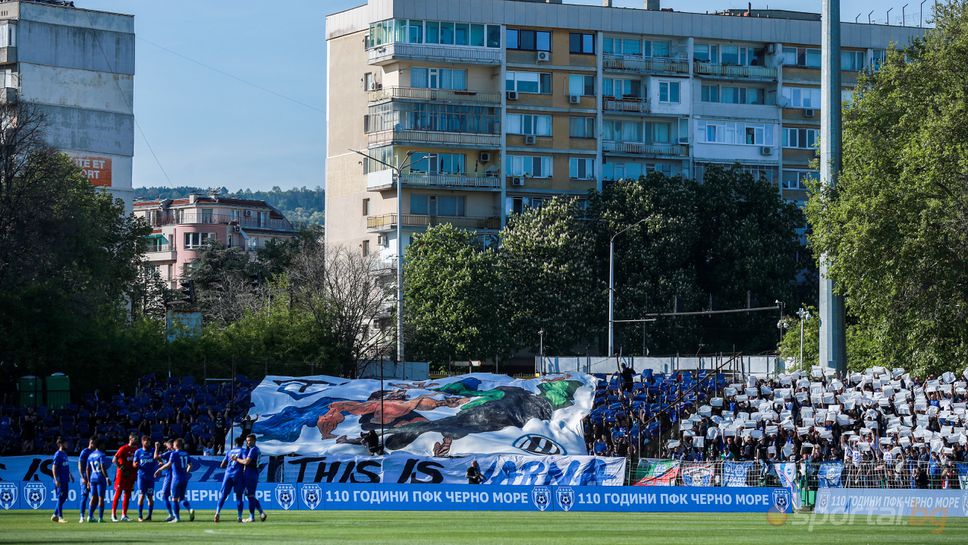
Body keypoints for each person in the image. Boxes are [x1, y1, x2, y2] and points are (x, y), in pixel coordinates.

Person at [154, 438, 194, 523]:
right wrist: (186, 472)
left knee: (174, 499)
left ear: (175, 445)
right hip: (184, 478)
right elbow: (190, 465)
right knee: (182, 498)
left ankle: (177, 518)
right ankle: (190, 509)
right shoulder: (186, 454)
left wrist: (159, 470)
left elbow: (168, 464)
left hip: (176, 479)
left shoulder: (174, 454)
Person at [214, 437, 246, 523]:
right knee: (239, 496)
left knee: (223, 495)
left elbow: (222, 465)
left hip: (228, 474)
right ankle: (239, 517)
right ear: (242, 443)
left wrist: (229, 464)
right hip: (238, 474)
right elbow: (245, 462)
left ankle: (217, 512)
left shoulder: (229, 452)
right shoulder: (243, 451)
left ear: (235, 443)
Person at [237, 434, 266, 522]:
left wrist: (236, 459)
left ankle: (252, 517)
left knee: (250, 495)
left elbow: (246, 462)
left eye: (249, 440)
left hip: (250, 473)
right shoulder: (256, 450)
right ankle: (261, 512)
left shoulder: (253, 450)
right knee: (250, 495)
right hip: (253, 473)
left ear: (254, 441)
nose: (247, 442)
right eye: (247, 440)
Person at [111, 433, 138, 522]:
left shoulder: (136, 449)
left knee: (127, 495)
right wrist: (120, 467)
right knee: (118, 494)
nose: (136, 439)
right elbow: (114, 460)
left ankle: (124, 515)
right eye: (135, 438)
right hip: (121, 475)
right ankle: (113, 515)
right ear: (130, 439)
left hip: (130, 475)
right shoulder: (123, 448)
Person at [133, 436, 159, 522]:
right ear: (142, 442)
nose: (148, 443)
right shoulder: (138, 452)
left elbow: (157, 459)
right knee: (141, 496)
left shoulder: (152, 451)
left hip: (151, 478)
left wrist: (156, 448)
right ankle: (140, 516)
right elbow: (134, 463)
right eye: (146, 442)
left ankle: (149, 516)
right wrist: (135, 465)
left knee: (150, 497)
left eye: (149, 442)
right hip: (141, 477)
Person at [87, 439, 109, 523]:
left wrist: (88, 481)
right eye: (102, 444)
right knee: (100, 498)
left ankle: (90, 516)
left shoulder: (90, 455)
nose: (104, 446)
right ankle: (100, 518)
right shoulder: (102, 455)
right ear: (99, 445)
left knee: (93, 497)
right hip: (100, 478)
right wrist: (106, 477)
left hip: (92, 478)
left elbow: (87, 469)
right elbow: (102, 467)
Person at [51, 438, 70, 523]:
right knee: (60, 497)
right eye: (66, 443)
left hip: (65, 479)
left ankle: (55, 515)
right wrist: (56, 479)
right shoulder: (58, 454)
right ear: (62, 444)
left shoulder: (64, 454)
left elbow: (65, 466)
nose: (67, 445)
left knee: (64, 497)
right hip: (60, 480)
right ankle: (60, 517)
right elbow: (54, 467)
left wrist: (70, 475)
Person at [77, 437, 95, 523]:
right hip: (85, 477)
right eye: (92, 442)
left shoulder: (95, 452)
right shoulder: (84, 452)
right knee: (84, 497)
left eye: (94, 442)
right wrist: (83, 477)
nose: (93, 444)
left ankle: (90, 515)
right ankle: (82, 516)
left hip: (94, 477)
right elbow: (80, 465)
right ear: (90, 442)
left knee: (94, 497)